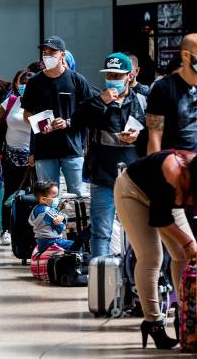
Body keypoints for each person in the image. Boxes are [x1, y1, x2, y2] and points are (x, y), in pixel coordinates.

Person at [114, 150, 197, 350]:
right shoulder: (170, 175)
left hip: (168, 193)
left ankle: (184, 315)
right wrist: (189, 242)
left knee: (183, 256)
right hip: (131, 191)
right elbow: (161, 220)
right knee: (151, 257)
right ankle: (153, 322)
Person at [72, 52, 146, 258]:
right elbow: (76, 122)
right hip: (103, 177)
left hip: (134, 179)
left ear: (129, 76)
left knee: (138, 231)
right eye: (109, 75)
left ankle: (132, 277)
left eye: (117, 75)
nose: (113, 80)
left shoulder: (142, 101)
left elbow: (155, 134)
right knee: (101, 231)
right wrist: (100, 102)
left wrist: (139, 135)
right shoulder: (96, 101)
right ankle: (101, 278)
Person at [21, 36, 92, 195]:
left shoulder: (77, 80)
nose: (47, 55)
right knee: (48, 198)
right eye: (45, 52)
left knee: (78, 196)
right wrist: (39, 125)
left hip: (72, 149)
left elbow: (89, 113)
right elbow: (26, 113)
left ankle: (77, 221)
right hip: (44, 151)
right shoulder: (34, 82)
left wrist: (68, 122)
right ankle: (52, 221)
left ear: (63, 55)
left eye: (52, 51)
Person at [146, 33, 197, 156]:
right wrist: (155, 170)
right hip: (172, 168)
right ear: (186, 55)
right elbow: (155, 137)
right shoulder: (163, 88)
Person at [0, 71, 32, 246]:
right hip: (10, 155)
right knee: (10, 193)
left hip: (32, 158)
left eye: (28, 82)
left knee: (30, 194)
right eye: (22, 82)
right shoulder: (12, 101)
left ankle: (27, 230)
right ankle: (7, 230)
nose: (24, 86)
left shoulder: (41, 104)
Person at [28, 180, 84, 252]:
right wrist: (63, 219)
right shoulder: (47, 211)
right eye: (54, 196)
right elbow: (61, 227)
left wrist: (62, 216)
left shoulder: (37, 208)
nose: (57, 199)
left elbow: (60, 215)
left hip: (42, 242)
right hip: (51, 242)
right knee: (77, 245)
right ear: (43, 199)